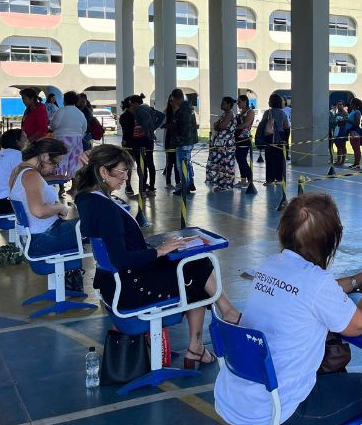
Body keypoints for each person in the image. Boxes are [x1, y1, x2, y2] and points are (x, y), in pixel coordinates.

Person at [215, 193, 362, 425]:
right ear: (329, 242)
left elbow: (307, 292)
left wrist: (357, 281)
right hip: (280, 417)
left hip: (237, 405)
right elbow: (360, 323)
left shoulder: (270, 265)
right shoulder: (316, 282)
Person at [74, 145, 240, 366]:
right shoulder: (106, 209)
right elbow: (121, 260)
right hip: (132, 287)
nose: (126, 178)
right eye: (122, 171)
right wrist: (159, 251)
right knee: (198, 266)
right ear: (103, 172)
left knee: (191, 264)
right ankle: (215, 326)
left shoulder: (85, 198)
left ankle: (204, 339)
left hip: (112, 282)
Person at [8, 139, 78, 256]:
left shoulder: (19, 170)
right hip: (44, 237)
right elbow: (39, 211)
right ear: (44, 156)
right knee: (94, 223)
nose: (55, 168)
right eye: (55, 163)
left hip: (33, 237)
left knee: (90, 225)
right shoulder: (31, 175)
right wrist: (60, 207)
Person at [0, 129, 27, 215]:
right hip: (2, 202)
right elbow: (28, 177)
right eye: (25, 138)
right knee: (40, 201)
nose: (27, 141)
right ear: (17, 141)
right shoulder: (17, 155)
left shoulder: (3, 153)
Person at [129, 94, 165, 196]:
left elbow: (147, 118)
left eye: (131, 104)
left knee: (142, 165)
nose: (131, 106)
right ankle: (151, 189)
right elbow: (162, 116)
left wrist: (145, 128)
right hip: (149, 139)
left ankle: (143, 190)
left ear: (135, 103)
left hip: (142, 140)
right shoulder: (148, 108)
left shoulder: (139, 110)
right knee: (150, 164)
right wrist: (153, 128)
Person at [49, 91, 87, 182]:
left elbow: (54, 125)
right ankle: (74, 186)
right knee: (75, 161)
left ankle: (61, 186)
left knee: (60, 160)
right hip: (77, 140)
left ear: (64, 100)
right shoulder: (80, 113)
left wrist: (52, 128)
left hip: (61, 139)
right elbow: (84, 127)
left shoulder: (61, 111)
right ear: (76, 101)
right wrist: (79, 136)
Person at [205, 96, 236, 192]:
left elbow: (222, 126)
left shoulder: (230, 114)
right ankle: (220, 184)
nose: (221, 105)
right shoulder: (224, 114)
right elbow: (216, 126)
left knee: (225, 164)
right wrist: (218, 126)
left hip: (226, 145)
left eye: (223, 103)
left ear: (229, 104)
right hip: (220, 143)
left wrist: (218, 126)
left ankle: (225, 185)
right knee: (219, 163)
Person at [172, 88, 198, 196]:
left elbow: (184, 127)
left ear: (175, 98)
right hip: (189, 141)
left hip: (183, 142)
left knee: (182, 165)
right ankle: (190, 183)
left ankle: (185, 187)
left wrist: (178, 138)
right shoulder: (189, 108)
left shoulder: (183, 110)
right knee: (188, 163)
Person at [261, 93, 289, 185]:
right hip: (280, 136)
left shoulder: (268, 112)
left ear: (271, 102)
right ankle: (279, 179)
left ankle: (270, 180)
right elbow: (286, 126)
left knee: (269, 158)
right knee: (279, 158)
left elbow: (263, 124)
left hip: (270, 136)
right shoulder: (283, 113)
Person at [234, 94, 255, 187]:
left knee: (242, 159)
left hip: (244, 138)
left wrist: (235, 128)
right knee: (239, 159)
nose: (238, 103)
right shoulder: (240, 113)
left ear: (245, 102)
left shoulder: (250, 111)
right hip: (237, 137)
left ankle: (250, 179)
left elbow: (247, 124)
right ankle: (243, 180)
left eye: (239, 102)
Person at [162, 95, 181, 188]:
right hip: (169, 139)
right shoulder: (166, 112)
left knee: (177, 163)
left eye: (174, 100)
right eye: (171, 101)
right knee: (169, 162)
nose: (172, 103)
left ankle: (178, 182)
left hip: (178, 140)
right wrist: (169, 125)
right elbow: (162, 124)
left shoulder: (180, 112)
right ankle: (168, 182)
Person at [118, 97, 135, 194]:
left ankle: (130, 185)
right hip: (129, 142)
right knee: (129, 165)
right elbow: (126, 131)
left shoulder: (132, 115)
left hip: (131, 141)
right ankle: (128, 185)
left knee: (131, 165)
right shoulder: (126, 116)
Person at [346, 98, 362, 168]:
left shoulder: (357, 112)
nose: (350, 104)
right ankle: (355, 163)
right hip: (351, 132)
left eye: (351, 103)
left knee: (356, 148)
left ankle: (357, 164)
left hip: (355, 132)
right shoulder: (352, 111)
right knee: (354, 148)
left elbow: (357, 123)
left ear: (354, 104)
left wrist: (348, 120)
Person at [332, 101, 348, 166]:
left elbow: (346, 121)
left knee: (343, 146)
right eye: (338, 104)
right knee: (338, 145)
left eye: (340, 104)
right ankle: (338, 160)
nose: (339, 106)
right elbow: (333, 121)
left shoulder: (345, 113)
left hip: (342, 130)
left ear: (343, 105)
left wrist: (341, 119)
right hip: (336, 130)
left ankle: (343, 161)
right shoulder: (336, 113)